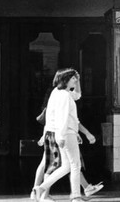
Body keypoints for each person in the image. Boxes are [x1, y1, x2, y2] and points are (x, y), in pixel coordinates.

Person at [32, 68, 84, 202]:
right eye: (73, 78)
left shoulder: (57, 92)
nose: (76, 80)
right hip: (67, 133)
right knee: (75, 165)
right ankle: (76, 196)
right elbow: (63, 117)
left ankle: (41, 188)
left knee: (66, 166)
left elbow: (77, 95)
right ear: (66, 80)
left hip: (62, 133)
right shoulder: (65, 96)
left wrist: (77, 80)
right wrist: (61, 136)